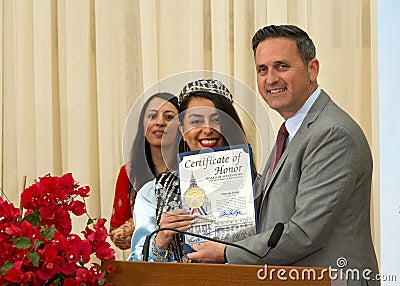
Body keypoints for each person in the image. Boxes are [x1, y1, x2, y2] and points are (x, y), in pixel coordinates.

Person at [186, 25, 380, 286]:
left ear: (312, 69)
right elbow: (269, 216)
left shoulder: (331, 133)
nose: (270, 79)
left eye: (282, 66)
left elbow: (304, 232)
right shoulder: (293, 131)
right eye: (262, 69)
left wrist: (226, 252)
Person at [128, 79, 251, 262]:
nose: (207, 129)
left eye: (216, 120)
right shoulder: (153, 192)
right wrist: (160, 240)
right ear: (182, 130)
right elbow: (136, 266)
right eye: (196, 121)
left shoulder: (258, 185)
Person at [109, 92, 179, 250]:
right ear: (142, 127)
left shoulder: (191, 169)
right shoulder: (129, 172)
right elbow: (116, 237)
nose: (160, 122)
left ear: (181, 127)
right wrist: (151, 217)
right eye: (152, 116)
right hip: (146, 262)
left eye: (169, 117)